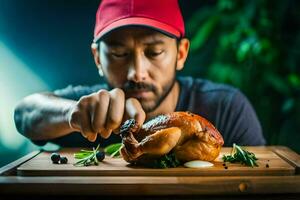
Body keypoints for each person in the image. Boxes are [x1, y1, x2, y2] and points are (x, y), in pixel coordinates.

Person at [14, 0, 266, 148]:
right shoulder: (88, 106)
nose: (137, 73)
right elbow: (24, 114)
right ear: (97, 58)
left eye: (154, 52)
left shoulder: (226, 108)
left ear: (181, 54)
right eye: (119, 54)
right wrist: (71, 114)